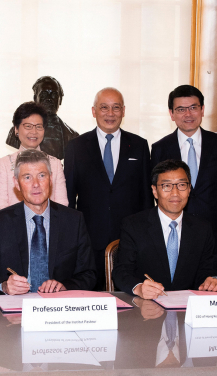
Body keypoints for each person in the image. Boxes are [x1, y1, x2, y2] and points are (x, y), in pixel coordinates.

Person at [64, 87, 153, 290]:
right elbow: (69, 196)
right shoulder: (76, 147)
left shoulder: (139, 145)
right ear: (94, 111)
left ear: (123, 111)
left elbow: (146, 196)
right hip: (89, 237)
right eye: (104, 107)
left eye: (116, 108)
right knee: (91, 297)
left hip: (130, 238)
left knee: (130, 297)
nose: (110, 114)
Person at [0, 149, 96, 294]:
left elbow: (89, 274)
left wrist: (65, 286)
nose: (36, 184)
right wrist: (5, 286)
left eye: (41, 175)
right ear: (17, 183)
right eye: (27, 177)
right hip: (14, 310)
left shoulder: (74, 221)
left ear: (51, 179)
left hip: (59, 308)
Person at [112, 160, 217, 298]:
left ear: (189, 189)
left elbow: (208, 269)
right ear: (155, 191)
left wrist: (211, 280)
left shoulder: (202, 228)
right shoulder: (133, 225)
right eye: (167, 186)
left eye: (182, 185)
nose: (175, 193)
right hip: (146, 308)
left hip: (188, 307)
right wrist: (139, 288)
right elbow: (122, 271)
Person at [151, 85, 217, 280]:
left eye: (193, 107)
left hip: (213, 234)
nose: (188, 114)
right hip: (173, 233)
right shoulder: (159, 148)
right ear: (171, 113)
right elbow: (155, 192)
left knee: (210, 290)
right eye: (180, 109)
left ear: (202, 110)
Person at [0, 101, 68, 212]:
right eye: (28, 126)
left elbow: (62, 206)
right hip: (14, 227)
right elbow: (0, 208)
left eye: (39, 127)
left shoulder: (55, 164)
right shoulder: (4, 164)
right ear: (16, 129)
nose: (34, 132)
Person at [5, 76, 79, 160]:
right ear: (35, 98)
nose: (49, 99)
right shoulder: (17, 131)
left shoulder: (73, 136)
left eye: (54, 95)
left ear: (60, 100)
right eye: (44, 94)